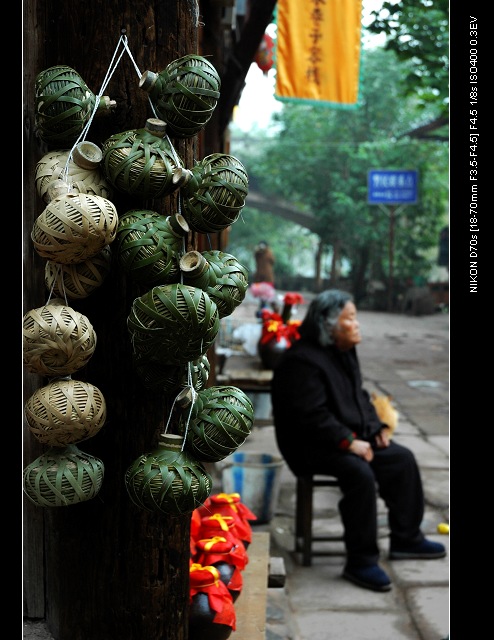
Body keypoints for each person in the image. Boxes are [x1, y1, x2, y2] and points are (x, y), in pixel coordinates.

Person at [270, 289, 446, 592]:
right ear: (328, 324)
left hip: (342, 437)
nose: (357, 324)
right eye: (350, 318)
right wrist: (349, 442)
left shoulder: (343, 351)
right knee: (359, 473)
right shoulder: (300, 361)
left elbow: (359, 397)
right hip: (309, 446)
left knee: (401, 459)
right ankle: (361, 560)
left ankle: (407, 538)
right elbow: (311, 417)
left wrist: (375, 427)